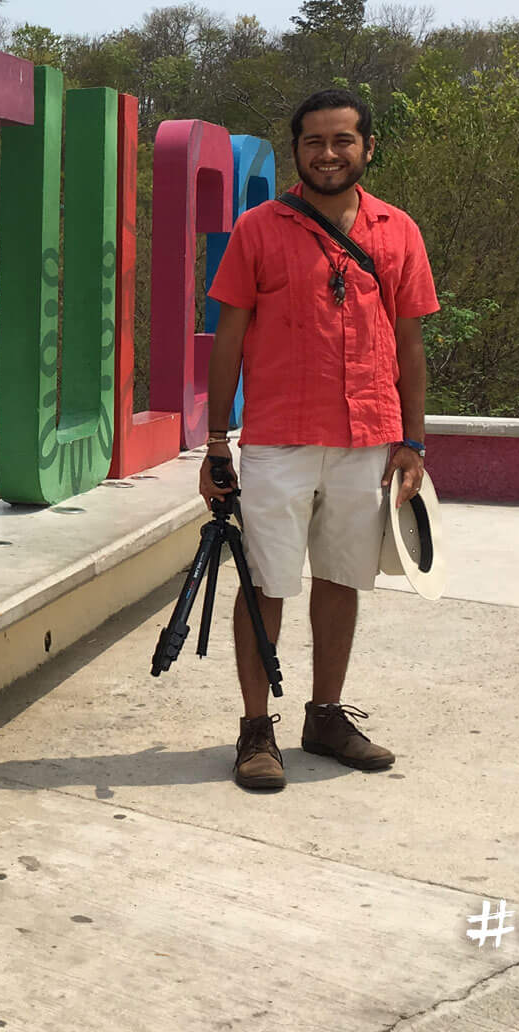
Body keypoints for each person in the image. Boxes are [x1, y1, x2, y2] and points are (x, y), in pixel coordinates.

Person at [202, 88, 439, 792]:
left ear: (368, 147)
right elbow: (229, 341)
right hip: (279, 439)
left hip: (367, 436)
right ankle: (254, 728)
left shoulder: (399, 230)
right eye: (313, 141)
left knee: (341, 580)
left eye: (343, 140)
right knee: (265, 584)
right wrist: (218, 443)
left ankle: (325, 717)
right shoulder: (258, 229)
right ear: (297, 149)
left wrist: (413, 442)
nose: (328, 153)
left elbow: (409, 343)